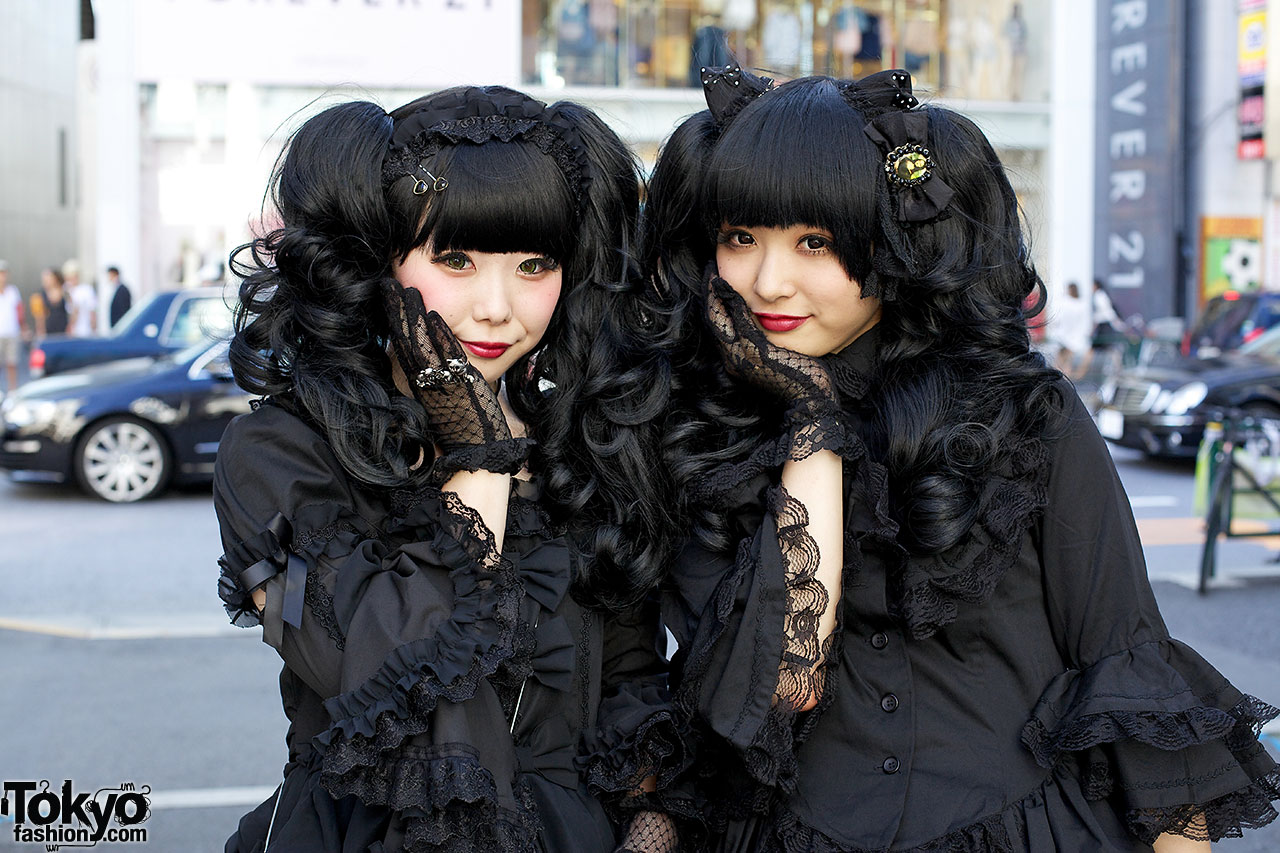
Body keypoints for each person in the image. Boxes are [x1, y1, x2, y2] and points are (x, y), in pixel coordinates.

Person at [644, 67, 1280, 852]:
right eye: (740, 237)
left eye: (815, 241)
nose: (769, 281)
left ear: (895, 237)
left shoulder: (1026, 413)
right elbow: (781, 682)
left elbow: (1128, 664)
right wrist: (811, 420)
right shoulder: (700, 431)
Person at [214, 87, 688, 852]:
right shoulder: (281, 455)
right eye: (456, 259)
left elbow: (629, 670)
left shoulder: (580, 441)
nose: (498, 306)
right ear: (377, 261)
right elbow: (377, 665)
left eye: (535, 263)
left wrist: (649, 818)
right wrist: (478, 460)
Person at [1053, 281, 1092, 379]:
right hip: (1077, 337)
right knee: (1069, 360)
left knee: (1062, 361)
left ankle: (1062, 379)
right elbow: (1087, 321)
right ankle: (1072, 377)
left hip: (1064, 337)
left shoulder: (1065, 303)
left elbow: (1057, 319)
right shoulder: (1082, 304)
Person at [0, 261, 21, 391]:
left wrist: (23, 327)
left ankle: (12, 391)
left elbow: (19, 310)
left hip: (11, 333)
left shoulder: (13, 291)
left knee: (12, 364)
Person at [32, 267, 69, 338]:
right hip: (48, 333)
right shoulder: (39, 296)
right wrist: (41, 332)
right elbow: (39, 317)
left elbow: (71, 311)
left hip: (64, 331)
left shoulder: (65, 292)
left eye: (48, 278)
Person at [63, 259, 96, 337]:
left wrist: (93, 327)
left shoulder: (86, 289)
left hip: (86, 330)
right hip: (75, 331)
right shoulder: (68, 291)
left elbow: (92, 311)